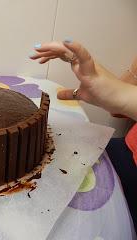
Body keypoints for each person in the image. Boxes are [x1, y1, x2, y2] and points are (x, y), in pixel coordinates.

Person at [29, 39, 137, 229]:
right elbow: (118, 109)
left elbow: (122, 100)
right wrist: (113, 89)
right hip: (126, 146)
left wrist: (122, 97)